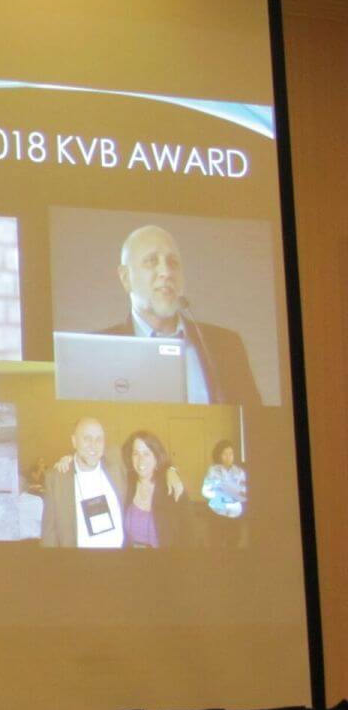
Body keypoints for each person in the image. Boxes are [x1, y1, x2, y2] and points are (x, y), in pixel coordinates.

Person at [101, 225, 261, 405]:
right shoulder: (98, 352)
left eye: (173, 263)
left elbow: (255, 422)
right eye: (151, 261)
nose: (166, 272)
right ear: (125, 277)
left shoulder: (226, 346)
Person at [41, 417, 128, 548]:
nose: (93, 445)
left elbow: (148, 462)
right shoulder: (57, 480)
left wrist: (170, 470)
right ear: (74, 441)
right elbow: (49, 536)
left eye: (99, 439)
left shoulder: (116, 468)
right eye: (87, 438)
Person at [121, 430, 189, 548]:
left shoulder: (172, 488)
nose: (141, 460)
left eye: (146, 453)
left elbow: (188, 536)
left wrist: (171, 470)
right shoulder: (126, 484)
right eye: (136, 453)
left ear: (156, 457)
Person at [202, 439, 248, 547]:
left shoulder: (239, 472)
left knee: (233, 542)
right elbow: (205, 491)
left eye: (231, 454)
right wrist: (220, 493)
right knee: (216, 542)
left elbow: (243, 492)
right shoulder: (212, 471)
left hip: (234, 514)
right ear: (219, 455)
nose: (228, 457)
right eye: (225, 454)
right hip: (217, 513)